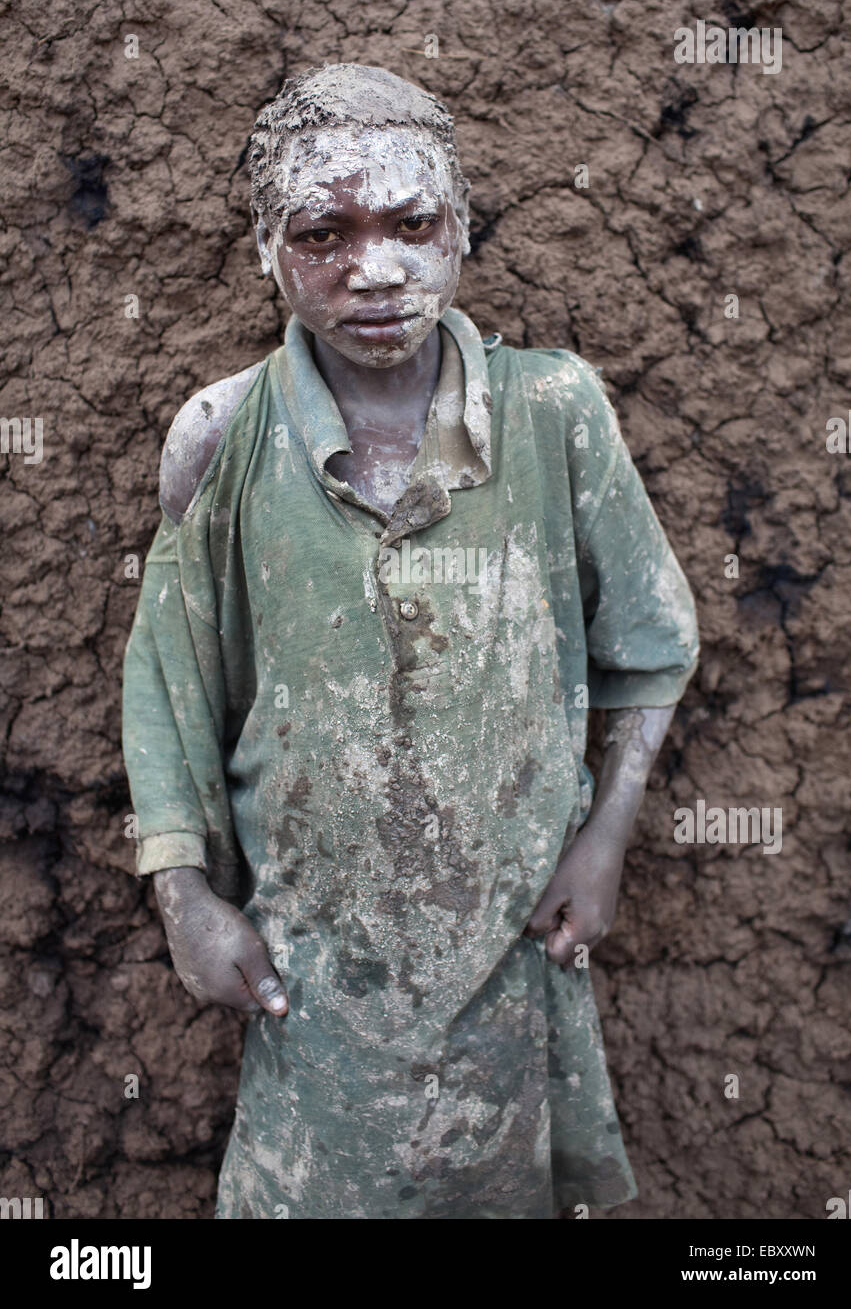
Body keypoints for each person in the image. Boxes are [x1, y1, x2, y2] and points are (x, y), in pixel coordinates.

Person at [122, 62, 699, 1219]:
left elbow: (648, 640)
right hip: (313, 962)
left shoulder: (554, 413)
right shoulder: (223, 436)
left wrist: (605, 840)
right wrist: (183, 892)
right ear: (264, 252)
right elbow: (171, 683)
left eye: (412, 224)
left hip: (511, 938)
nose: (374, 269)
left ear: (462, 229)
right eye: (322, 232)